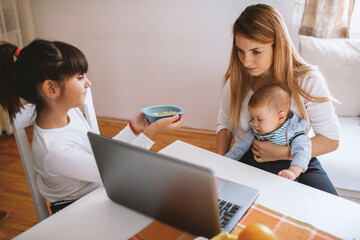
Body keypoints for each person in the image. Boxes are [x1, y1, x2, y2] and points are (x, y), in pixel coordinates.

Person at [0, 39, 184, 213]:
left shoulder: (69, 112)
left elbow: (103, 161)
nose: (88, 82)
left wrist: (134, 129)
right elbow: (114, 171)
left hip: (99, 191)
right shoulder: (53, 150)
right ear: (51, 89)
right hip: (78, 212)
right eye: (80, 77)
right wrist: (150, 134)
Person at [216, 4, 339, 194]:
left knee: (330, 208)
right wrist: (223, 164)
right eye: (241, 51)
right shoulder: (237, 81)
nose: (246, 61)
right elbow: (224, 124)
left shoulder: (308, 79)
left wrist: (282, 153)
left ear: (278, 44)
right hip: (250, 159)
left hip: (298, 158)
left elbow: (331, 139)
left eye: (256, 51)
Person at [225, 84, 311, 181]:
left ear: (281, 117)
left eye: (259, 119)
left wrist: (292, 172)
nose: (254, 123)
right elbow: (240, 147)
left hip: (281, 174)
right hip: (254, 170)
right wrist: (226, 161)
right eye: (253, 118)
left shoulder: (293, 133)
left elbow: (303, 153)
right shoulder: (255, 130)